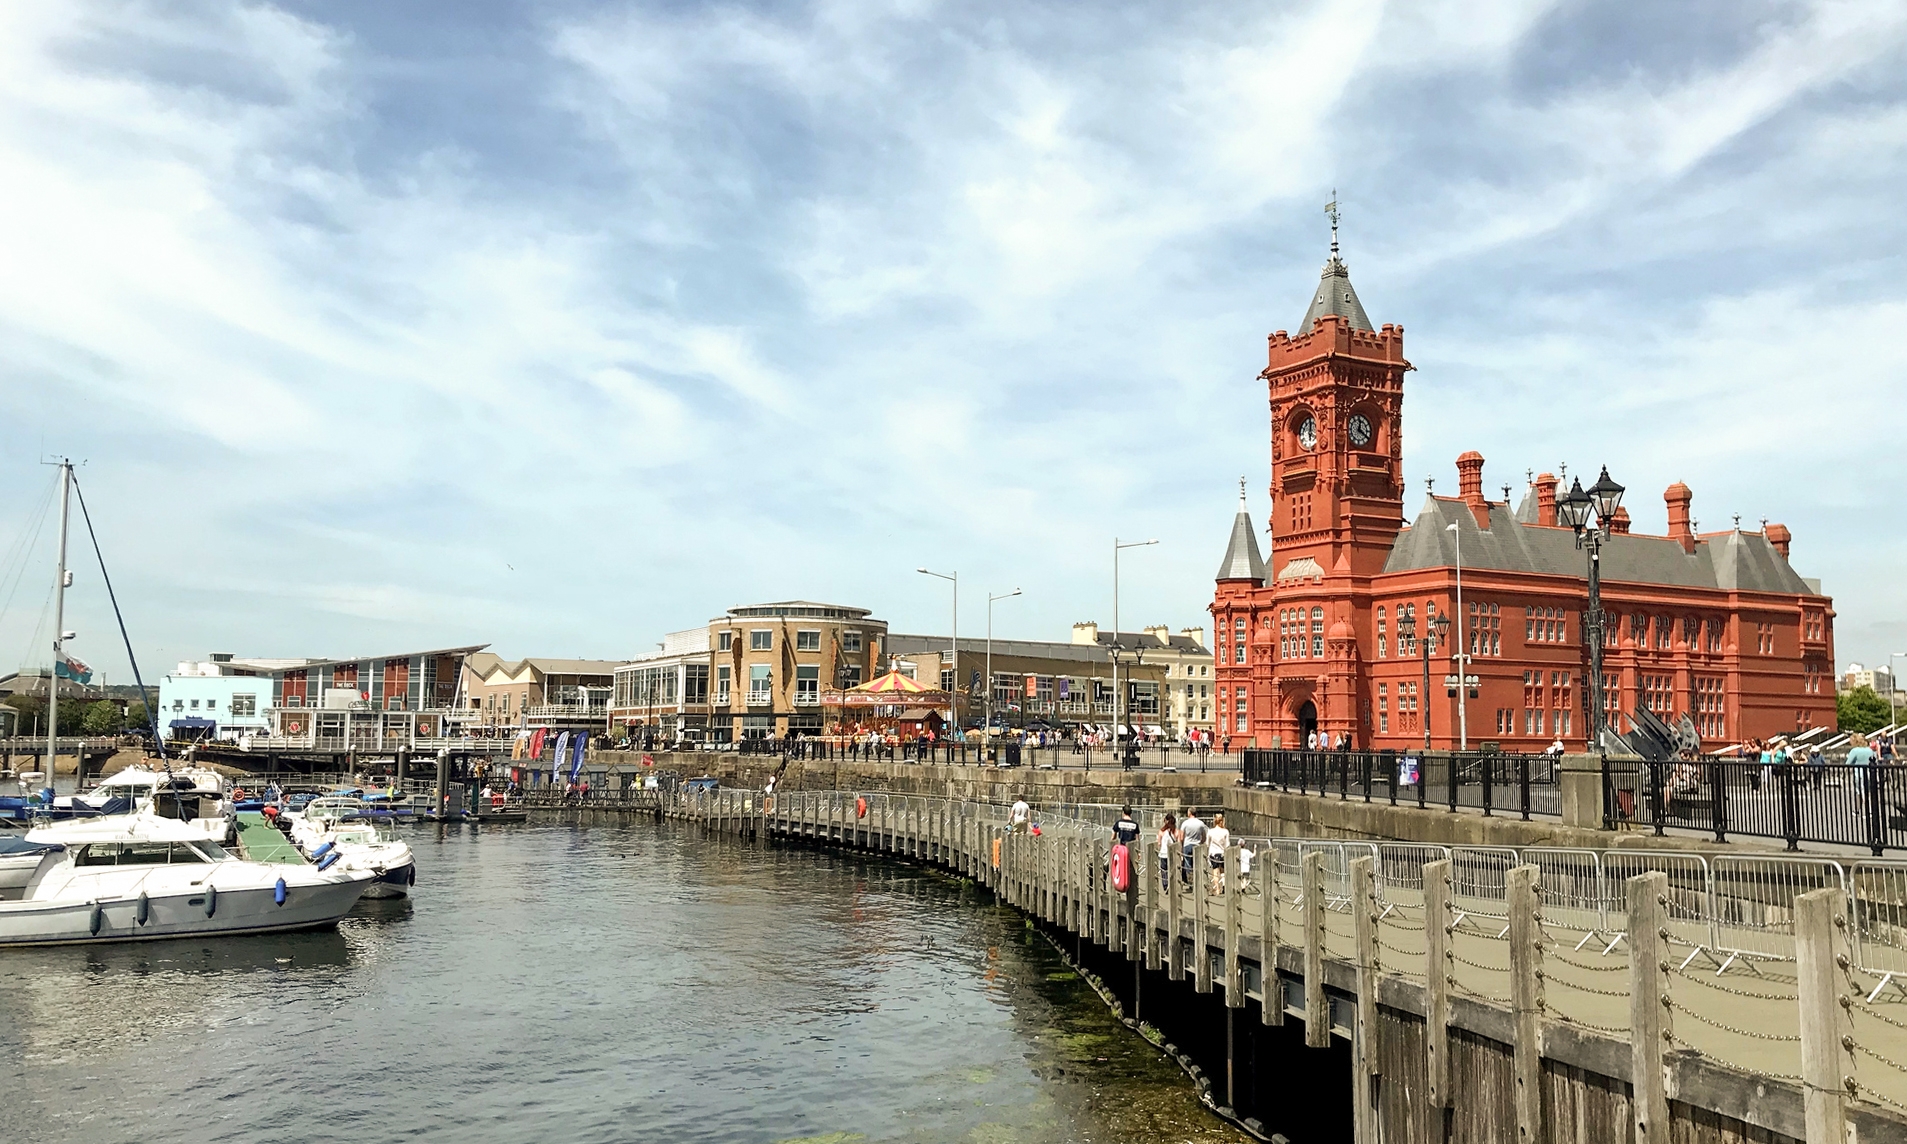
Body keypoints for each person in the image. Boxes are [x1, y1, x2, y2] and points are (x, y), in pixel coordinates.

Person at [1179, 808, 1207, 888]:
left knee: (1188, 864)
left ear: (1190, 813)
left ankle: (1191, 882)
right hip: (1197, 845)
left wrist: (1181, 845)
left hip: (1187, 844)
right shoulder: (1201, 823)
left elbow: (1181, 837)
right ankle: (1197, 881)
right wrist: (1200, 842)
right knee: (1197, 864)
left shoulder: (1185, 823)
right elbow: (1204, 837)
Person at [1205, 812, 1231, 894]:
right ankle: (1223, 886)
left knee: (1215, 871)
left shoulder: (1210, 831)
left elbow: (1207, 843)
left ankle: (1217, 889)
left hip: (1213, 853)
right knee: (1223, 871)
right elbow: (1227, 844)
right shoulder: (1225, 831)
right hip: (1222, 853)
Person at [1156, 813, 1178, 893]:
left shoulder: (1161, 831)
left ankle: (1165, 885)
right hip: (1172, 853)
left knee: (1163, 870)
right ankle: (1172, 884)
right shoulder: (1175, 831)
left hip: (1163, 853)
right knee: (1172, 869)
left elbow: (1159, 843)